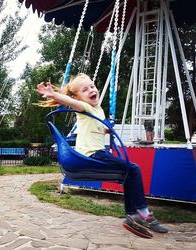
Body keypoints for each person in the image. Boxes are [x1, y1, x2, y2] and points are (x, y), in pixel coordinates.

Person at [36, 73, 168, 237]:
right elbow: (72, 103)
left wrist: (106, 129)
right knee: (134, 169)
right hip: (92, 155)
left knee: (129, 173)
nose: (91, 90)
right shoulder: (85, 108)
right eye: (85, 90)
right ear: (78, 97)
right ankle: (143, 212)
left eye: (92, 86)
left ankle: (132, 216)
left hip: (98, 153)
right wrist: (54, 95)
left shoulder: (98, 110)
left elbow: (97, 126)